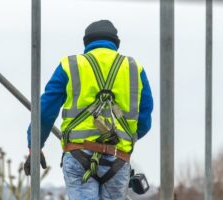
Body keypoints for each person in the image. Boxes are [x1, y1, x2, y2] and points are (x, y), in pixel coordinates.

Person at [24, 20, 153, 200]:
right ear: (116, 43)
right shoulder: (135, 69)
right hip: (118, 159)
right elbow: (145, 119)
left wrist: (34, 145)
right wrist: (125, 140)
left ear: (86, 43)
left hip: (78, 155)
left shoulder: (70, 65)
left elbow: (45, 111)